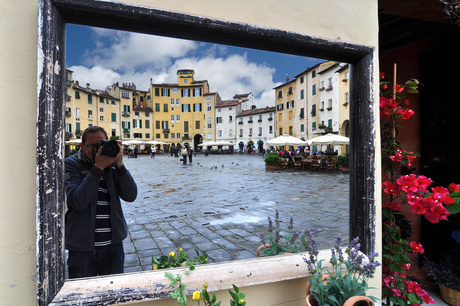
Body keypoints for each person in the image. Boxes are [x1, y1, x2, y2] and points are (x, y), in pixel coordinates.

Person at [64, 126, 138, 279]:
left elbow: (131, 195)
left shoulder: (112, 165)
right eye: (93, 145)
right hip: (82, 248)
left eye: (102, 143)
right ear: (82, 146)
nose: (98, 149)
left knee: (113, 295)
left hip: (113, 246)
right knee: (83, 296)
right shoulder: (71, 164)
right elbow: (77, 201)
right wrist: (98, 167)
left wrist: (120, 165)